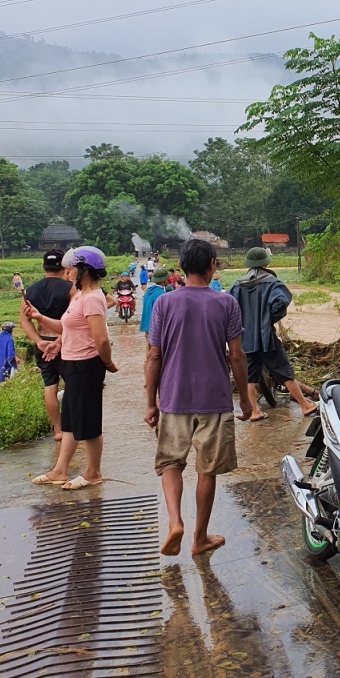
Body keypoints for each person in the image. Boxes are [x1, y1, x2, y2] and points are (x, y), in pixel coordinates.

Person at [146, 237, 253, 557]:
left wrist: (151, 402)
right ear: (211, 266)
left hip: (174, 397)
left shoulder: (164, 303)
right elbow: (237, 356)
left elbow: (154, 356)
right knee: (207, 469)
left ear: (181, 268)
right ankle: (199, 538)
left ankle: (175, 522)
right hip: (214, 399)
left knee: (170, 463)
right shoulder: (225, 303)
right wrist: (246, 400)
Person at [25, 247, 118, 490]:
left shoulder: (92, 298)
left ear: (84, 271)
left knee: (88, 421)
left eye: (72, 268)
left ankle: (93, 472)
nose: (67, 272)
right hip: (73, 362)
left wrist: (107, 362)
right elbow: (69, 328)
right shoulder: (78, 295)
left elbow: (101, 340)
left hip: (87, 364)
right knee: (70, 420)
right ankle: (60, 470)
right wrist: (41, 318)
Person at [229, 247, 317, 421]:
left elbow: (228, 307)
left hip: (245, 339)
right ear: (266, 263)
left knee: (250, 375)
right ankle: (305, 405)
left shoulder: (237, 285)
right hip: (266, 337)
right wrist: (267, 320)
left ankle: (254, 411)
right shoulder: (271, 282)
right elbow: (281, 302)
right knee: (283, 371)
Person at [19, 249, 73, 440]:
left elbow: (25, 321)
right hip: (66, 342)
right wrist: (59, 341)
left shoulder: (31, 291)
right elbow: (74, 320)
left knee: (50, 385)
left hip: (42, 342)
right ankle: (72, 429)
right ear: (65, 267)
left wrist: (39, 341)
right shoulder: (70, 288)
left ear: (43, 267)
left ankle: (57, 430)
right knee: (72, 385)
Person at [141, 267, 171, 340]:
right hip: (156, 329)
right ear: (166, 280)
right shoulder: (163, 295)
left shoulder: (148, 292)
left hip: (147, 326)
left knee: (148, 348)